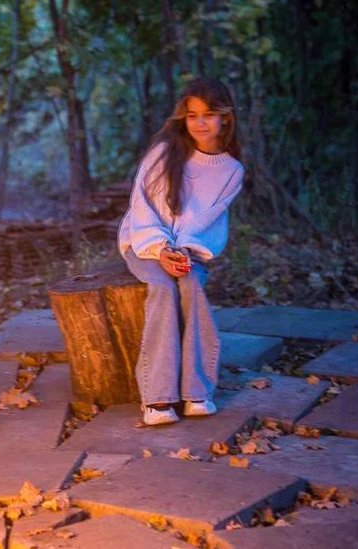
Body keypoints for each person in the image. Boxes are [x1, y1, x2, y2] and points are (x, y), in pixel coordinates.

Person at [117, 77, 245, 426]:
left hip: (190, 248)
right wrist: (160, 249)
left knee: (190, 287)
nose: (200, 123)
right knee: (161, 288)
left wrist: (182, 251)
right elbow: (142, 207)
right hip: (144, 244)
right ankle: (157, 400)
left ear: (225, 119)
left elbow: (208, 221)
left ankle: (196, 391)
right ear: (183, 118)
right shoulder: (164, 152)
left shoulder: (231, 171)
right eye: (192, 115)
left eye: (208, 114)